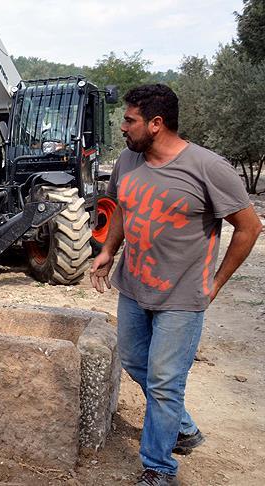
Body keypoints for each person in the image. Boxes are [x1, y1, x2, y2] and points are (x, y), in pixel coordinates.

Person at [90, 85, 262, 486]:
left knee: (165, 382)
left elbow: (249, 228)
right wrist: (109, 250)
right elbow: (121, 208)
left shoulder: (208, 167)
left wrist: (215, 283)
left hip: (183, 297)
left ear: (156, 123)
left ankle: (158, 468)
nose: (123, 128)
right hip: (134, 287)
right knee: (135, 362)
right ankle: (182, 428)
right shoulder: (128, 162)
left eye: (130, 120)